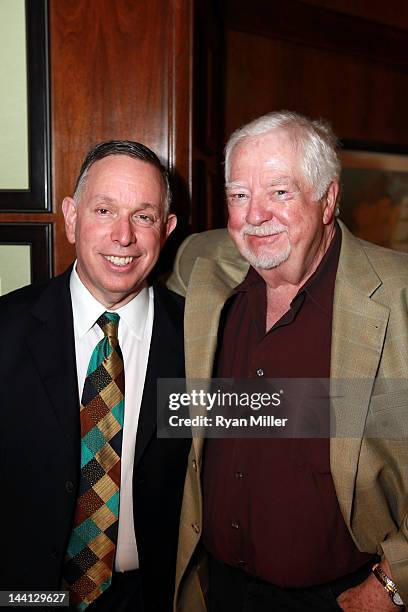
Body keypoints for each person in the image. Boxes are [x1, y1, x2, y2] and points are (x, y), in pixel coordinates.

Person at [168, 112, 408, 611]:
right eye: (238, 195)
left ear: (328, 200)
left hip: (344, 596)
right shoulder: (200, 265)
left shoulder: (399, 298)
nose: (255, 215)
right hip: (215, 589)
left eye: (279, 192)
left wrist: (392, 583)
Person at [0, 140, 191, 612]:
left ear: (165, 230)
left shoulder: (201, 342)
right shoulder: (6, 330)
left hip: (151, 597)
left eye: (143, 217)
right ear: (71, 217)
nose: (122, 236)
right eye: (104, 210)